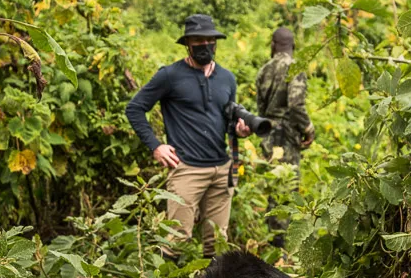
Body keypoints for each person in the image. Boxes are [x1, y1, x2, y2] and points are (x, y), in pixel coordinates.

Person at [126, 14, 251, 259]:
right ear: (187, 44)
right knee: (175, 239)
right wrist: (156, 146)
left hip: (221, 167)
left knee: (217, 244)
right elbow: (135, 108)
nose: (205, 46)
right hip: (187, 169)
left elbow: (226, 120)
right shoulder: (169, 76)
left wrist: (239, 131)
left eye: (209, 41)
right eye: (198, 41)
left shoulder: (227, 78)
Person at [255, 27, 315, 248]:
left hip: (269, 136)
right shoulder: (294, 68)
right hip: (287, 136)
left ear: (273, 44)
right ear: (293, 46)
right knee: (286, 187)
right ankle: (281, 247)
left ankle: (274, 242)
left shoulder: (264, 70)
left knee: (274, 187)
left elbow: (260, 109)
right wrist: (308, 128)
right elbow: (296, 104)